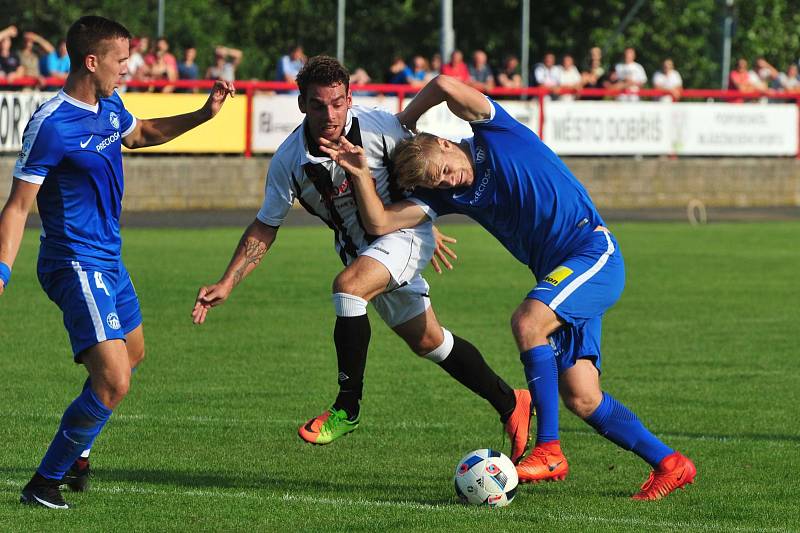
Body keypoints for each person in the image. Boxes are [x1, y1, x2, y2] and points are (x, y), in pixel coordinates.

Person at [320, 74, 697, 501]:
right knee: (582, 396)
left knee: (527, 322)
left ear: (445, 143)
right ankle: (670, 463)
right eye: (437, 184)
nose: (448, 182)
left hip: (592, 251)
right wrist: (360, 176)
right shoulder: (448, 198)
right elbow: (380, 223)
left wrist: (405, 121)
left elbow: (444, 83)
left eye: (445, 172)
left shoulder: (494, 130)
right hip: (559, 275)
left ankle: (550, 450)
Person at [191, 56, 531, 460]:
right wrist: (229, 279)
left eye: (337, 103)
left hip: (401, 235)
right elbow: (266, 225)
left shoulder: (379, 128)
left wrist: (426, 218)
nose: (330, 114)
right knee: (429, 341)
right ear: (302, 104)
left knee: (348, 288)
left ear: (350, 98)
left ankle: (347, 407)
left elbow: (423, 168)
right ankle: (512, 402)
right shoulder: (288, 162)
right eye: (318, 105)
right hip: (363, 252)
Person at [0, 15, 234, 509]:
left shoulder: (110, 104)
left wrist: (202, 114)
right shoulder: (51, 123)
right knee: (113, 380)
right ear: (92, 61)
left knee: (132, 355)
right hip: (72, 261)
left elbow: (142, 132)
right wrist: (1, 271)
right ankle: (43, 482)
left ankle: (79, 451)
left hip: (109, 257)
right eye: (121, 60)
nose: (128, 69)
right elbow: (18, 207)